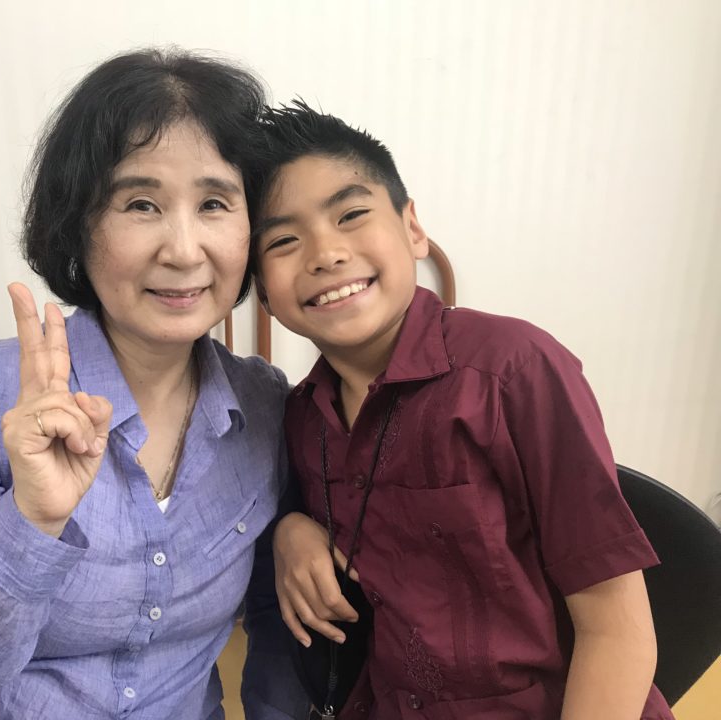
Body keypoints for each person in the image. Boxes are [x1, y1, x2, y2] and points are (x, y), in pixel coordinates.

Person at [0, 49, 309, 720]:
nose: (183, 250)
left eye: (214, 202)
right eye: (141, 203)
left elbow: (276, 622)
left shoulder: (266, 408)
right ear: (78, 224)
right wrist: (31, 524)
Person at [252, 101, 673, 719]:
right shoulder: (300, 418)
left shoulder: (513, 370)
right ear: (260, 287)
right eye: (284, 240)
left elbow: (619, 628)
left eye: (352, 214)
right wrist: (292, 531)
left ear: (413, 228)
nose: (325, 253)